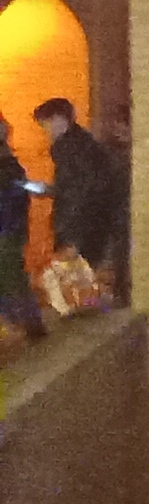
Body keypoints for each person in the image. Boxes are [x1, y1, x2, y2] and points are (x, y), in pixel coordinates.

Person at [33, 99, 121, 295]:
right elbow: (80, 187)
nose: (45, 131)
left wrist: (71, 235)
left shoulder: (69, 149)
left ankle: (86, 305)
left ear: (59, 119)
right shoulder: (85, 145)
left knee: (72, 280)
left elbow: (77, 194)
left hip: (79, 226)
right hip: (94, 224)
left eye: (45, 124)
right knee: (84, 279)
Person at [0, 122, 48, 342]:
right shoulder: (10, 163)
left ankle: (22, 324)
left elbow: (15, 193)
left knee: (10, 277)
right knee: (12, 277)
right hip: (11, 228)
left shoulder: (7, 165)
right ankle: (25, 324)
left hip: (7, 229)